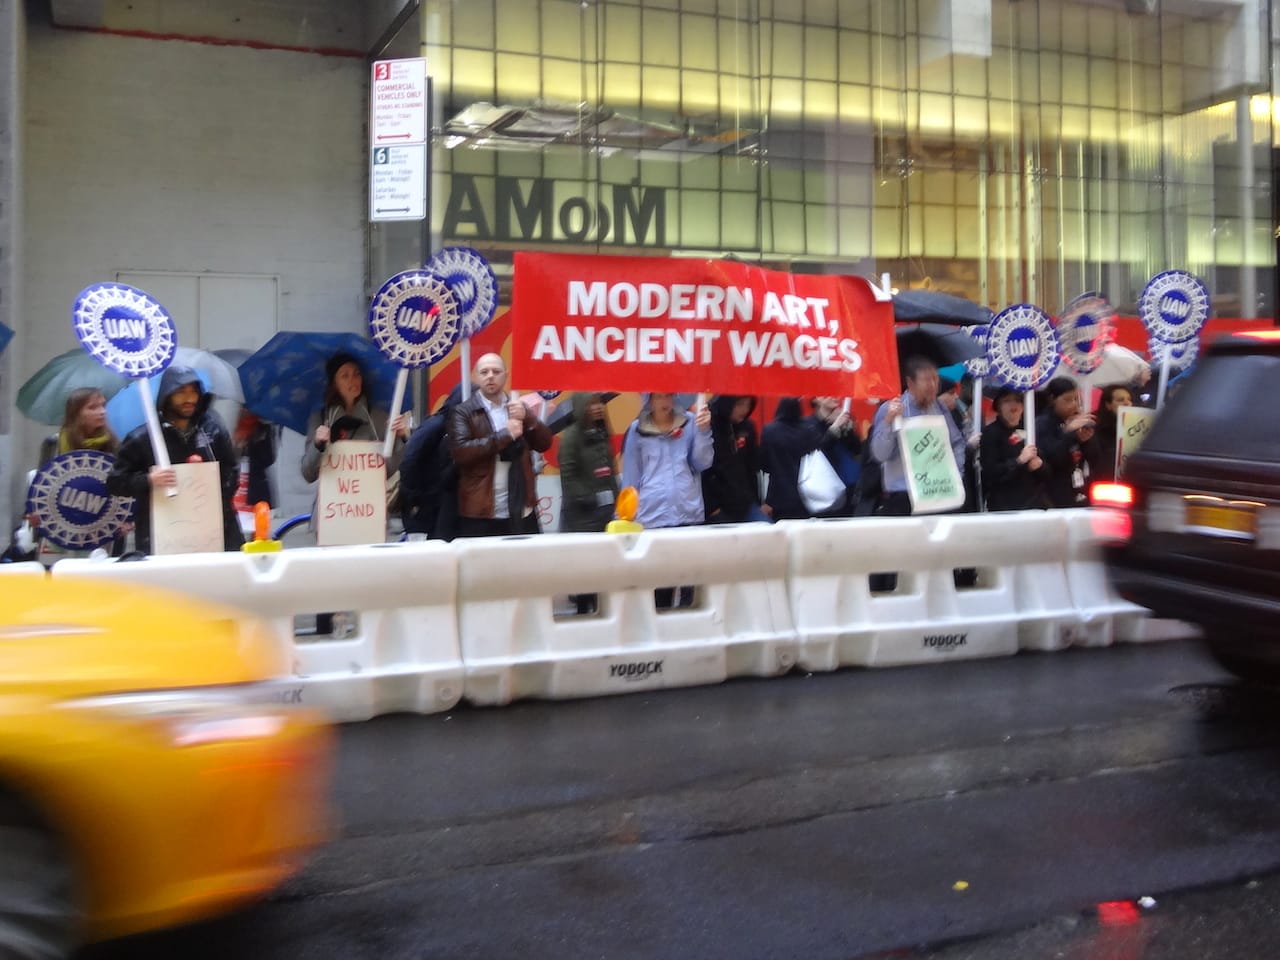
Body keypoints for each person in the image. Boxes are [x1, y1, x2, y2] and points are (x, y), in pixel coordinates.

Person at [106, 365, 242, 554]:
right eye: (181, 392)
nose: (189, 399)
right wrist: (148, 480)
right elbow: (115, 482)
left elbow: (232, 469)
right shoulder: (142, 438)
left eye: (194, 391)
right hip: (163, 532)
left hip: (218, 528)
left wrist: (214, 495)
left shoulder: (214, 430)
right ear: (167, 395)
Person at [449, 353, 553, 537]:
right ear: (476, 377)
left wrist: (529, 418)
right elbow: (461, 452)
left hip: (521, 507)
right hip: (481, 510)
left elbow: (544, 443)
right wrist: (504, 436)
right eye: (484, 372)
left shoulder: (518, 408)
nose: (490, 376)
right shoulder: (463, 412)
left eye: (496, 371)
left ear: (505, 375)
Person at [26, 387, 127, 560]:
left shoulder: (114, 445)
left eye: (103, 406)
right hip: (60, 530)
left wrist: (126, 519)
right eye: (92, 407)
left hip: (101, 531)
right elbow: (41, 487)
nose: (101, 412)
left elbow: (124, 489)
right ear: (76, 412)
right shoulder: (54, 443)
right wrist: (33, 515)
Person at [867, 356, 967, 517]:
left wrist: (956, 473)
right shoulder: (890, 409)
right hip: (904, 495)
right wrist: (888, 422)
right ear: (910, 382)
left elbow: (956, 442)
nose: (933, 385)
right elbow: (880, 455)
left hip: (940, 491)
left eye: (935, 379)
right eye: (927, 380)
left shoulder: (940, 407)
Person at [301, 351, 409, 487]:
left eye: (356, 374)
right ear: (334, 383)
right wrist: (317, 445)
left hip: (367, 504)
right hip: (331, 504)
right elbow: (308, 474)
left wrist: (402, 438)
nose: (353, 380)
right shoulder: (321, 418)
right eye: (344, 376)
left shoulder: (378, 417)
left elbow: (388, 471)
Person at [400, 383, 466, 539]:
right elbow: (409, 460)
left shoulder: (453, 426)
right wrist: (413, 498)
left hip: (438, 505)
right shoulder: (436, 425)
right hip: (423, 507)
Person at [1035, 376, 1103, 509]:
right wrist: (1068, 432)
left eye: (1076, 399)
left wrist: (1086, 441)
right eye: (1067, 400)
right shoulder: (1042, 424)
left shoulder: (1077, 422)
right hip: (1054, 492)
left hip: (1079, 485)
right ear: (1052, 399)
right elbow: (1051, 458)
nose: (1073, 405)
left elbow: (1096, 460)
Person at [558, 391, 620, 533]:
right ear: (581, 406)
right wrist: (594, 498)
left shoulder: (602, 432)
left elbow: (611, 470)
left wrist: (616, 498)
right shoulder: (571, 437)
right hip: (581, 519)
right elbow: (568, 479)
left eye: (600, 402)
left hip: (607, 515)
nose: (598, 407)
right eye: (592, 403)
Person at [980, 386, 1049, 511]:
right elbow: (990, 474)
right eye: (1007, 401)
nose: (1013, 404)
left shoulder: (1030, 430)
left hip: (1033, 503)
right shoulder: (991, 433)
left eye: (1017, 400)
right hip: (1005, 505)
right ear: (998, 406)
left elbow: (1047, 472)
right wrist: (1019, 461)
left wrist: (1040, 466)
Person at [703, 394, 766, 524]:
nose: (745, 410)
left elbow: (752, 467)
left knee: (768, 533)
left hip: (746, 504)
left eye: (748, 405)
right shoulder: (709, 426)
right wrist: (712, 507)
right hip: (719, 508)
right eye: (740, 404)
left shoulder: (747, 427)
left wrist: (756, 501)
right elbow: (702, 470)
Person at [759, 397, 823, 521]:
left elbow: (764, 464)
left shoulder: (770, 430)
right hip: (807, 493)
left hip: (779, 496)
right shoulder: (809, 429)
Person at [808, 396, 861, 516]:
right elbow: (818, 451)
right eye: (826, 393)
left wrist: (848, 429)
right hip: (824, 489)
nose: (833, 396)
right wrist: (834, 427)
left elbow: (856, 449)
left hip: (848, 487)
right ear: (816, 399)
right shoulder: (810, 423)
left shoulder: (844, 417)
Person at [232, 409, 278, 510]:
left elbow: (269, 459)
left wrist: (252, 435)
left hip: (256, 491)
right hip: (241, 490)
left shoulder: (263, 429)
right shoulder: (238, 427)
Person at [1091, 383, 1132, 482]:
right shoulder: (1095, 428)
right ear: (1108, 405)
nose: (1127, 403)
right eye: (1120, 400)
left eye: (1129, 399)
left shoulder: (1135, 426)